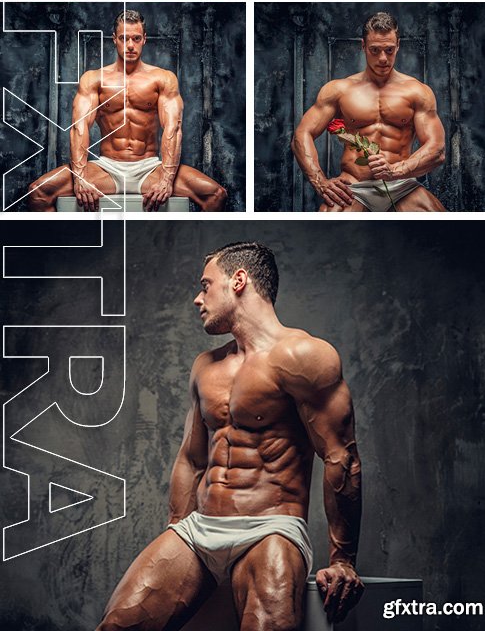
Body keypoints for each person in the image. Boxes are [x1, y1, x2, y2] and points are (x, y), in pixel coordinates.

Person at [96, 241, 363, 629]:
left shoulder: (304, 355)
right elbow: (192, 458)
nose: (196, 299)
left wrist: (342, 561)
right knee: (116, 626)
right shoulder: (206, 366)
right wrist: (177, 530)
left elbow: (342, 458)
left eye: (205, 286)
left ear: (238, 280)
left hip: (269, 527)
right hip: (198, 529)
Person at [26, 9, 227, 212]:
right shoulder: (94, 79)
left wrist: (166, 179)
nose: (130, 45)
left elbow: (173, 129)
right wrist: (80, 178)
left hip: (149, 167)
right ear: (114, 39)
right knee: (38, 192)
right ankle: (66, 243)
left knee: (215, 194)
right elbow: (79, 128)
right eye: (124, 38)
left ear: (144, 39)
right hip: (107, 168)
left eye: (136, 38)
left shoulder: (163, 79)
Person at [292, 11, 446, 212]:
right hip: (353, 185)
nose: (383, 58)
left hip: (401, 184)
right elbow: (302, 134)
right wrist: (320, 182)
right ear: (363, 46)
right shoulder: (339, 89)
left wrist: (395, 170)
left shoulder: (417, 91)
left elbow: (438, 149)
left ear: (398, 46)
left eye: (389, 50)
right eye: (374, 50)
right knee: (328, 226)